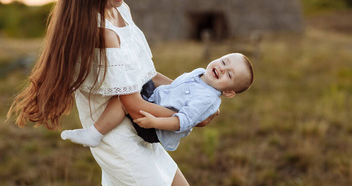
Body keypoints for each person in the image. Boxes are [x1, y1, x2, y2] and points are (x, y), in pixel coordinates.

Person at [7, 0, 206, 186]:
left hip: (144, 130)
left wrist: (192, 94)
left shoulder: (121, 11)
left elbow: (148, 74)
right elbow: (132, 104)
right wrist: (187, 117)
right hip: (118, 139)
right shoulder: (102, 34)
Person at [61, 53, 254, 151]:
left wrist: (154, 122)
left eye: (229, 74)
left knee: (124, 97)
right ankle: (85, 78)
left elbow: (182, 121)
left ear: (228, 92)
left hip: (158, 127)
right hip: (157, 100)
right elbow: (174, 88)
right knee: (134, 77)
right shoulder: (200, 73)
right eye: (224, 62)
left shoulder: (208, 99)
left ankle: (94, 134)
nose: (221, 68)